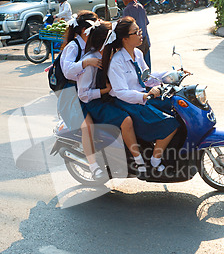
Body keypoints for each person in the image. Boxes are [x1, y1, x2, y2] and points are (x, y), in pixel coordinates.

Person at [102, 16, 179, 177]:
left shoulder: (137, 53)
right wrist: (145, 96)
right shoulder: (117, 62)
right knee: (171, 124)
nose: (140, 34)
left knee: (175, 106)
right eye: (136, 32)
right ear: (124, 38)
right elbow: (121, 92)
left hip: (143, 97)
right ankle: (155, 161)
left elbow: (147, 78)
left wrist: (171, 75)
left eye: (140, 30)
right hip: (128, 103)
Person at [75, 20, 147, 179]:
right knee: (126, 120)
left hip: (106, 97)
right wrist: (105, 91)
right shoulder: (92, 60)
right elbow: (83, 94)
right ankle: (138, 161)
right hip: (92, 103)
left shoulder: (112, 54)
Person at [58, 10, 104, 179]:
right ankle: (93, 167)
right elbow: (68, 71)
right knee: (88, 127)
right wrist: (86, 62)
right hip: (71, 97)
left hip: (88, 93)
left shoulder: (92, 45)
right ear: (84, 30)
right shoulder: (73, 46)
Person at [121, 0, 152, 70]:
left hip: (135, 42)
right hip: (145, 40)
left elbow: (125, 28)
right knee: (147, 68)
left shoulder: (127, 10)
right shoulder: (140, 6)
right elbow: (146, 22)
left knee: (138, 69)